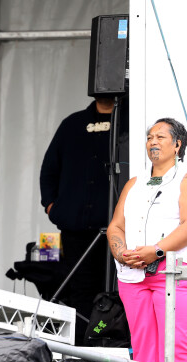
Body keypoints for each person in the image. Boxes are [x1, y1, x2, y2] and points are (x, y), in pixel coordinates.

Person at [107, 118, 187, 362]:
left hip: (171, 274)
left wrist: (156, 250)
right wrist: (121, 252)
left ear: (177, 145)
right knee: (143, 348)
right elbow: (116, 226)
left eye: (160, 137)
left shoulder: (184, 179)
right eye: (150, 137)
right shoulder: (134, 183)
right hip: (132, 276)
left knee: (176, 346)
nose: (153, 142)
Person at [39, 96, 117, 341]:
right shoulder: (73, 124)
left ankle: (110, 341)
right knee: (80, 288)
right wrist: (52, 206)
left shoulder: (129, 122)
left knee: (117, 289)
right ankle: (84, 344)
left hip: (119, 229)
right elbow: (49, 170)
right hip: (76, 228)